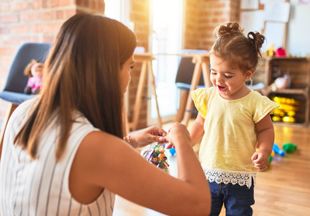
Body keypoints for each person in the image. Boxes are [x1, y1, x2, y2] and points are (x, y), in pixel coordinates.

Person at [0, 13, 211, 215]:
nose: (129, 77)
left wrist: (128, 142)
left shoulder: (23, 113)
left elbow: (67, 165)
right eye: (130, 66)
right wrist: (182, 138)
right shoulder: (95, 148)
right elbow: (197, 204)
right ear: (107, 71)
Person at [189, 22, 278, 216]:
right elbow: (200, 123)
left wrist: (264, 151)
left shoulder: (254, 102)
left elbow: (265, 130)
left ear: (248, 74)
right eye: (213, 72)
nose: (218, 80)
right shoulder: (209, 96)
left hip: (240, 176)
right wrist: (186, 142)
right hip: (208, 172)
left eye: (227, 75)